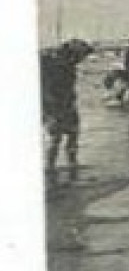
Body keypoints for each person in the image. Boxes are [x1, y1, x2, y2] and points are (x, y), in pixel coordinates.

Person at [41, 39, 94, 181]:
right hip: (53, 106)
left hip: (67, 104)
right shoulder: (52, 64)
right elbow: (44, 88)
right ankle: (50, 167)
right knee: (55, 137)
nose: (82, 60)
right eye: (81, 56)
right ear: (73, 54)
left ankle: (71, 163)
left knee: (73, 133)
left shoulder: (68, 65)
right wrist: (49, 108)